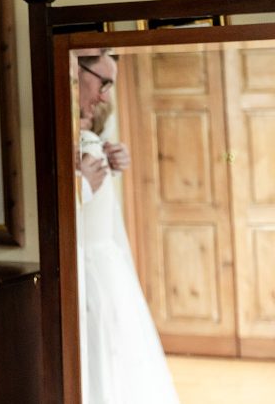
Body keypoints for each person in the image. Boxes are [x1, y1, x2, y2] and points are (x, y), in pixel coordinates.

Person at [76, 51, 180, 404]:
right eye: (103, 82)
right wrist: (82, 185)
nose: (105, 95)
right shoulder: (55, 133)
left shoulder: (89, 136)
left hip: (106, 266)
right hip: (84, 269)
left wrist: (109, 160)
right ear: (77, 69)